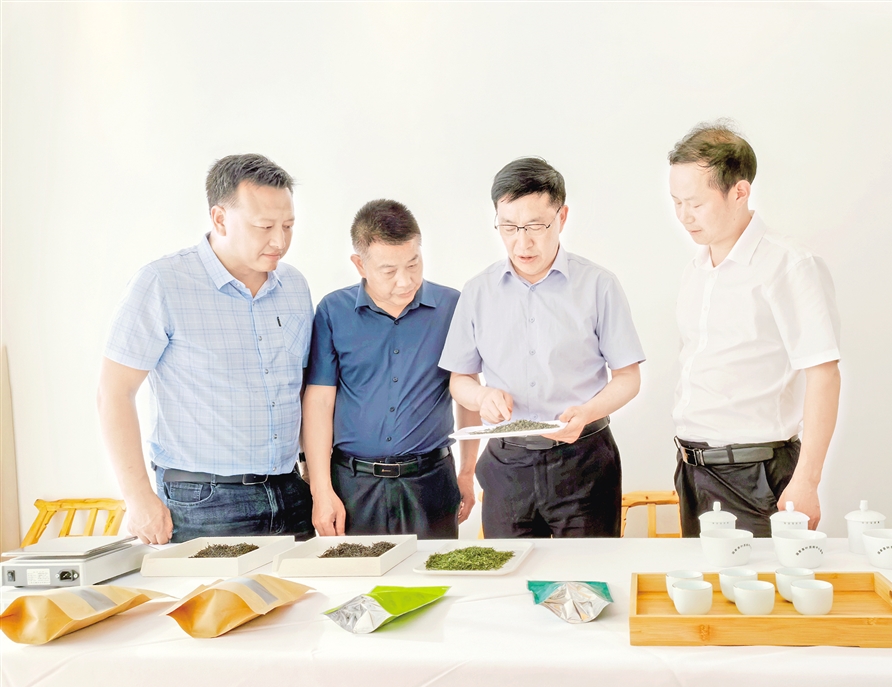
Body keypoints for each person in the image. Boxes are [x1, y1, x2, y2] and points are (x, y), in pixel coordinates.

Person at [98, 153, 315, 545]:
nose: (279, 241)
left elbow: (297, 389)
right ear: (219, 219)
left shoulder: (294, 286)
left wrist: (311, 467)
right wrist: (137, 497)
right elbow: (114, 392)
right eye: (264, 226)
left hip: (291, 492)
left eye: (288, 226)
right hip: (204, 502)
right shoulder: (162, 283)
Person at [440, 157, 645, 538]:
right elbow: (459, 379)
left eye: (535, 226)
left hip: (584, 460)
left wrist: (586, 412)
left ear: (561, 217)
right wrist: (482, 396)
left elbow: (628, 378)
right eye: (508, 227)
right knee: (511, 572)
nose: (523, 242)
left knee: (589, 571)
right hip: (506, 463)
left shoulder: (598, 285)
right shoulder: (478, 291)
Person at [668, 123, 841, 537]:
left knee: (760, 580)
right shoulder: (696, 270)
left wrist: (807, 481)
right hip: (692, 471)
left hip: (757, 474)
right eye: (676, 202)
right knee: (704, 580)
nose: (684, 216)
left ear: (740, 192)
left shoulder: (788, 265)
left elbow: (823, 373)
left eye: (695, 203)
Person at [301, 200, 480, 539]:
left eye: (413, 263)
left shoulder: (452, 307)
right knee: (356, 572)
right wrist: (321, 491)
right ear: (360, 264)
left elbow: (467, 391)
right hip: (352, 484)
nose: (405, 281)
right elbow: (319, 403)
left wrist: (468, 472)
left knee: (435, 572)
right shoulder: (333, 311)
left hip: (432, 482)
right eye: (389, 271)